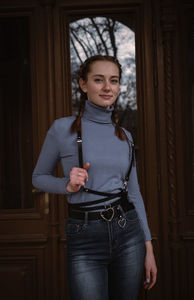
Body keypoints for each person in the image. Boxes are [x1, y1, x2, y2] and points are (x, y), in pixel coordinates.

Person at [32, 55, 157, 300]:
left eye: (114, 80)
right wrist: (66, 185)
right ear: (83, 84)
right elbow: (38, 177)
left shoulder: (125, 136)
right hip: (84, 235)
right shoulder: (62, 129)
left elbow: (134, 194)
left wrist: (148, 248)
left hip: (128, 232)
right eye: (98, 80)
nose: (108, 87)